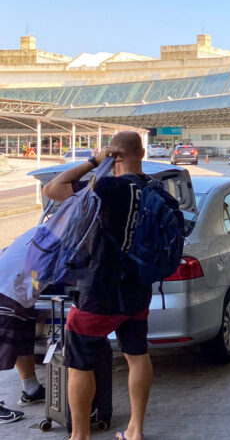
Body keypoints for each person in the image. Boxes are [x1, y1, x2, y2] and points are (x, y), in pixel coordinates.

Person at [42, 131, 155, 440]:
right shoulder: (155, 189)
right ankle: (136, 430)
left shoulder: (104, 187)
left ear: (113, 155)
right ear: (142, 152)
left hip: (98, 290)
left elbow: (54, 189)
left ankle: (80, 435)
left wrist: (94, 160)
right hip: (137, 289)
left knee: (80, 363)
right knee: (136, 355)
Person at [0, 293, 44, 425]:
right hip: (5, 287)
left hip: (22, 291)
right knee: (2, 344)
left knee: (21, 341)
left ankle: (32, 390)